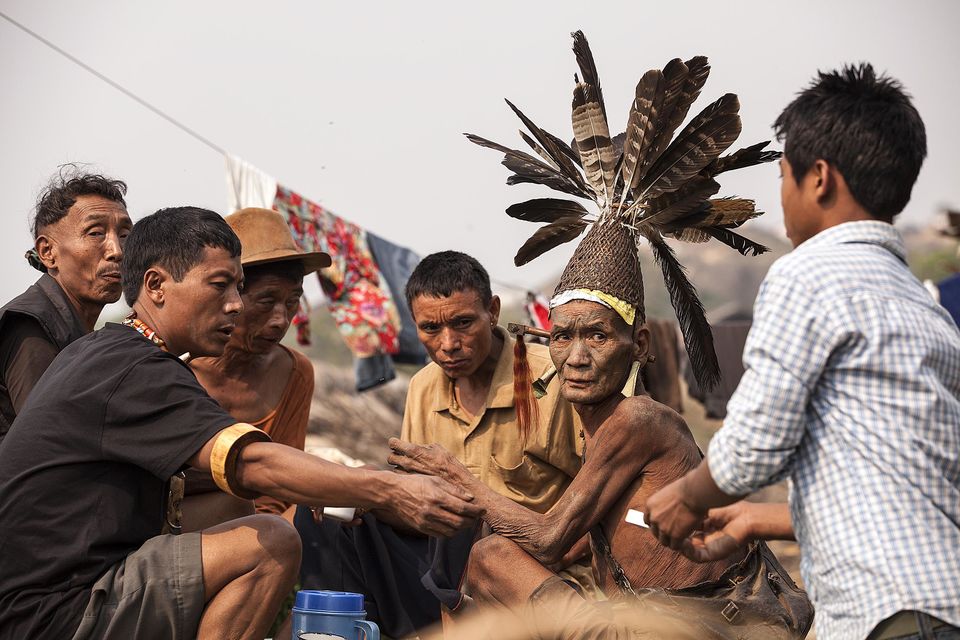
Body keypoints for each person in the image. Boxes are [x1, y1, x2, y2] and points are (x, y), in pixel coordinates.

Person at [389, 33, 812, 639]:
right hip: (654, 617)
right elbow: (560, 548)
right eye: (562, 338)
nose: (577, 356)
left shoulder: (639, 419)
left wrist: (451, 477)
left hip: (702, 626)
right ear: (544, 338)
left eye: (599, 337)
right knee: (483, 570)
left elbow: (549, 535)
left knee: (489, 559)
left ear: (638, 346)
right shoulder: (591, 430)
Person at [0, 207, 481, 639]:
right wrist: (388, 490)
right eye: (219, 286)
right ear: (155, 287)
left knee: (241, 510)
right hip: (54, 607)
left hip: (52, 584)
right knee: (271, 543)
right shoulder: (138, 369)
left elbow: (250, 487)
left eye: (238, 288)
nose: (233, 303)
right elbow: (253, 462)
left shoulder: (111, 349)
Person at [644, 64, 960, 640]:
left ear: (818, 178)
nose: (781, 197)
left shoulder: (807, 274)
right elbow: (908, 487)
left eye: (782, 176)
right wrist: (753, 518)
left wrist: (685, 499)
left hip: (885, 612)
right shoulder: (927, 310)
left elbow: (753, 448)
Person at [294, 250, 588, 638]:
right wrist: (368, 491)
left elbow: (603, 503)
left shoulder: (553, 381)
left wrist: (544, 558)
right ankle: (346, 631)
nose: (448, 343)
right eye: (430, 329)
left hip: (528, 571)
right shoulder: (423, 386)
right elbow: (417, 508)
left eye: (463, 323)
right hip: (446, 566)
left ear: (493, 311)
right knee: (328, 517)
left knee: (480, 546)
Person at [183, 207, 330, 530]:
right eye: (266, 301)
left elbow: (279, 489)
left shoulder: (296, 372)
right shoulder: (174, 365)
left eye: (292, 302)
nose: (281, 320)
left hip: (262, 531)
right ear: (230, 297)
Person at [0, 169, 131, 442]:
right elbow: (50, 442)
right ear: (48, 252)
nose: (117, 251)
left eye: (125, 235)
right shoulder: (32, 324)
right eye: (96, 233)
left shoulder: (83, 331)